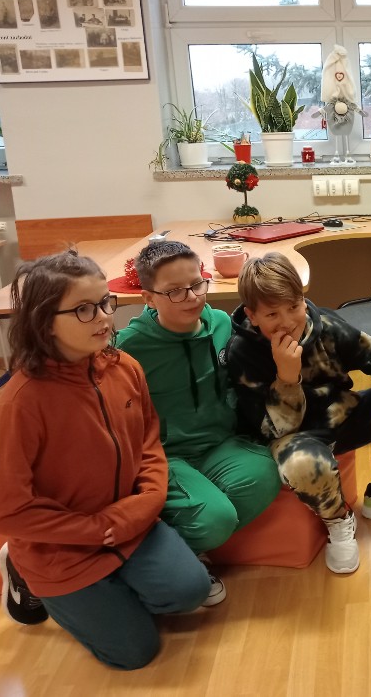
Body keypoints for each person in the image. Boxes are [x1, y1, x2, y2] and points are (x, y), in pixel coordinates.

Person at [0, 251, 210, 669]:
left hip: (127, 526)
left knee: (190, 592)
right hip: (62, 547)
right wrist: (96, 529)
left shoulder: (125, 368)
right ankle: (23, 571)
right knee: (135, 653)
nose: (104, 317)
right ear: (44, 321)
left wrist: (144, 504)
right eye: (84, 309)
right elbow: (2, 510)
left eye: (105, 303)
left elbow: (149, 444)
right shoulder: (22, 402)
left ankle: (110, 591)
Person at [115, 241, 281, 600]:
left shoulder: (220, 323)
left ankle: (186, 544)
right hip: (167, 455)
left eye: (197, 283)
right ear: (148, 298)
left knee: (267, 475)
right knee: (216, 518)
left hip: (221, 444)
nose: (192, 297)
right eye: (175, 291)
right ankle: (173, 557)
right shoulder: (128, 348)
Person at [224, 252, 371, 575]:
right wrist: (287, 378)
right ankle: (339, 520)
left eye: (294, 307)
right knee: (302, 464)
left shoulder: (326, 325)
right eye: (272, 314)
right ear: (252, 315)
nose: (288, 321)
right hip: (294, 434)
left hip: (341, 415)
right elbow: (274, 430)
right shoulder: (242, 352)